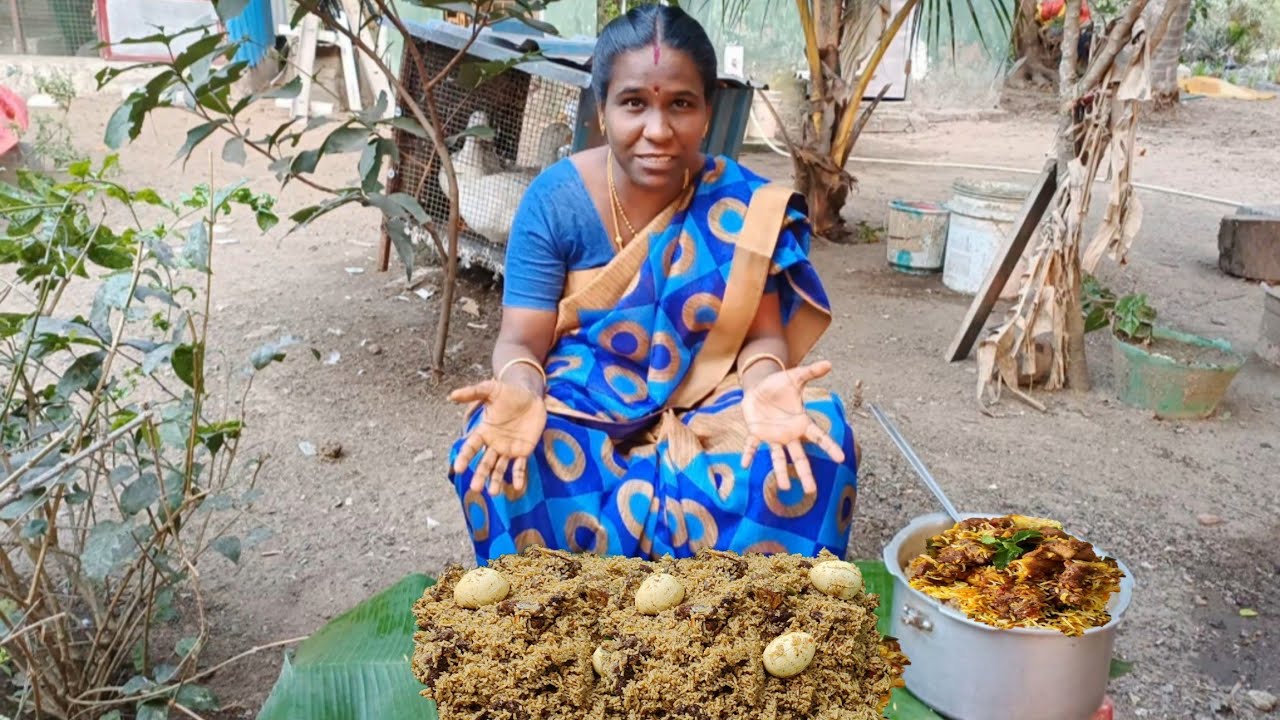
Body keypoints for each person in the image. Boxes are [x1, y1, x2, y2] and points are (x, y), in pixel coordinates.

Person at [447, 4, 860, 565]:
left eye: (681, 105)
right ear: (601, 110)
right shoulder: (555, 201)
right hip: (586, 393)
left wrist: (765, 383)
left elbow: (763, 338)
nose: (658, 131)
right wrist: (522, 387)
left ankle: (742, 619)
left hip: (714, 391)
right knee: (494, 450)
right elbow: (522, 341)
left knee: (814, 439)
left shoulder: (742, 205)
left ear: (708, 113)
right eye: (635, 103)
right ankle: (554, 622)